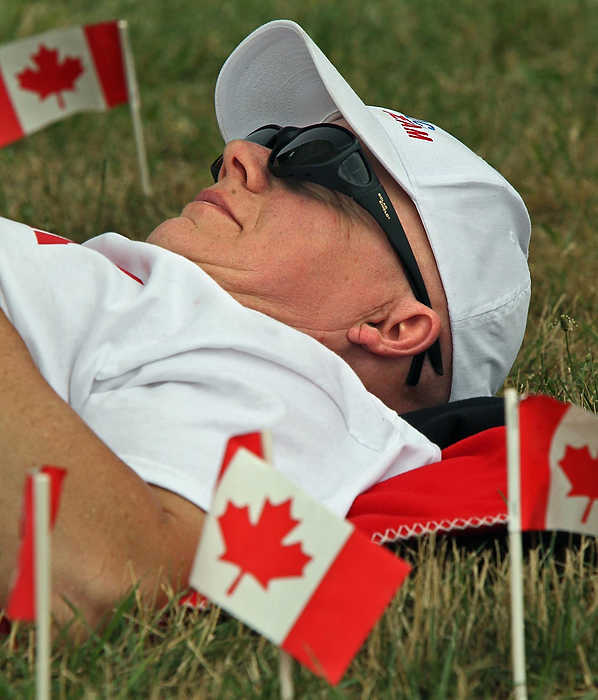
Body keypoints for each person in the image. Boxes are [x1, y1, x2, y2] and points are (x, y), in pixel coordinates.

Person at [0, 20, 530, 628]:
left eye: (316, 161)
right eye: (268, 138)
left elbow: (102, 579)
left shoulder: (284, 381)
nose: (240, 155)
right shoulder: (189, 321)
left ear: (395, 327)